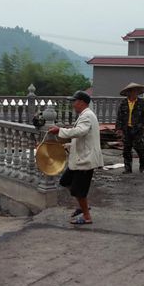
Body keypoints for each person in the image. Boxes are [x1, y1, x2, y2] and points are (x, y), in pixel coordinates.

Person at [49, 91, 104, 225]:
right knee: (65, 181)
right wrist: (67, 145)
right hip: (80, 158)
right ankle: (82, 206)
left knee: (80, 190)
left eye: (74, 101)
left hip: (85, 160)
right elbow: (83, 137)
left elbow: (80, 132)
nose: (73, 104)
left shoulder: (87, 116)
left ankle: (86, 216)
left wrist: (60, 130)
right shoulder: (85, 115)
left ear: (82, 102)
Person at [115, 83, 144, 173]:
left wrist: (142, 127)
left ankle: (142, 162)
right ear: (129, 92)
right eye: (133, 91)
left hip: (138, 129)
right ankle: (128, 168)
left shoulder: (142, 103)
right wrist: (118, 129)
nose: (135, 93)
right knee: (126, 149)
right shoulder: (123, 103)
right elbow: (119, 117)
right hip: (126, 129)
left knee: (139, 148)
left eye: (136, 91)